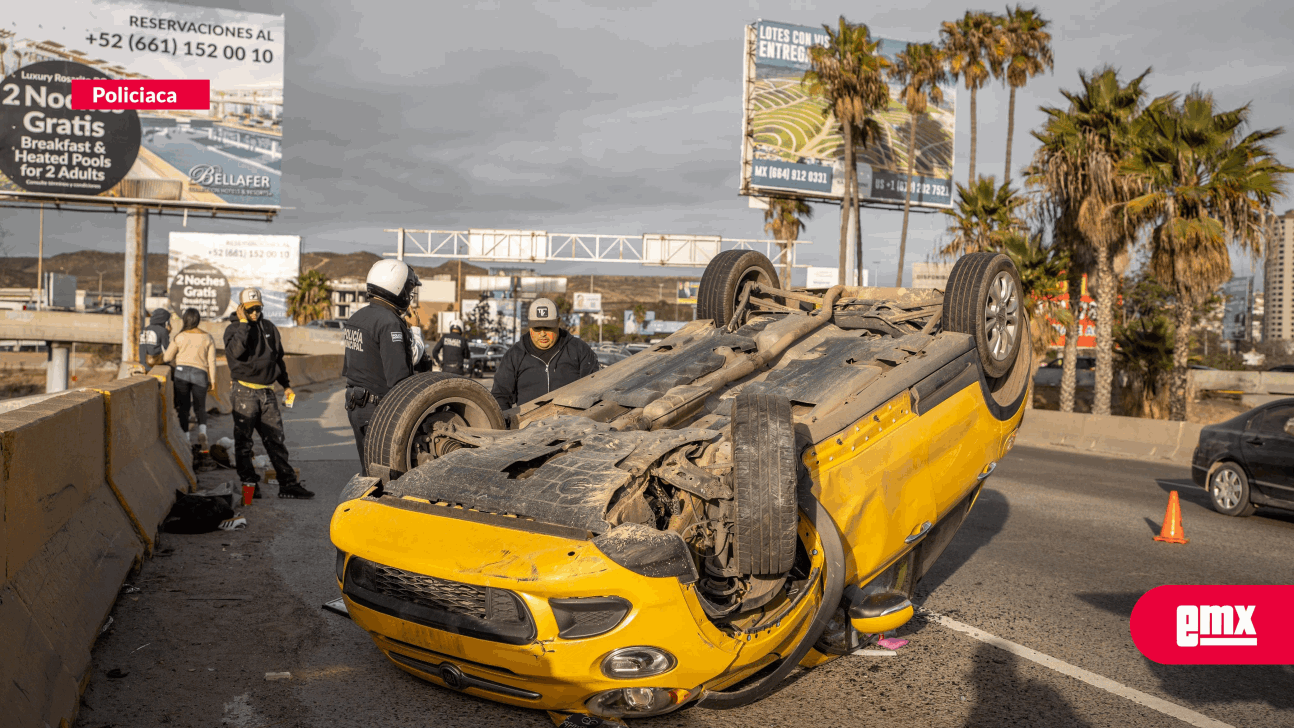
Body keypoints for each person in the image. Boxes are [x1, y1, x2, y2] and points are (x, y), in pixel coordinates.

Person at [224, 288, 313, 499]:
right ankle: (250, 484)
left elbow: (278, 359)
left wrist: (286, 385)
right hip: (243, 392)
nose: (254, 313)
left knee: (276, 440)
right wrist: (244, 324)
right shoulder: (233, 329)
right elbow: (235, 354)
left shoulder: (270, 328)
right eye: (250, 309)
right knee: (244, 443)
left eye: (258, 308)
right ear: (241, 309)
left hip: (267, 393)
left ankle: (288, 484)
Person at [342, 259, 422, 475]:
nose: (409, 294)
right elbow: (400, 375)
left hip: (356, 405)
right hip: (378, 410)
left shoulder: (357, 317)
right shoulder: (389, 322)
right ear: (397, 287)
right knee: (388, 475)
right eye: (408, 289)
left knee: (369, 471)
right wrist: (415, 331)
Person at [492, 297, 600, 412]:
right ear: (529, 325)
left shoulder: (580, 350)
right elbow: (500, 398)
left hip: (572, 426)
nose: (542, 334)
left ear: (558, 322)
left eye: (548, 327)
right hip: (527, 427)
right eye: (537, 328)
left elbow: (594, 391)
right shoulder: (514, 355)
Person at [163, 307, 217, 448]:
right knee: (200, 407)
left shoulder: (180, 336)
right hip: (200, 373)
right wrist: (213, 380)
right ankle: (203, 432)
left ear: (185, 319)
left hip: (181, 373)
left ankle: (186, 438)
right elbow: (212, 361)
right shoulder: (207, 337)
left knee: (184, 408)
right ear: (198, 320)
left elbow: (167, 357)